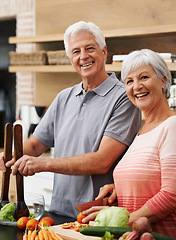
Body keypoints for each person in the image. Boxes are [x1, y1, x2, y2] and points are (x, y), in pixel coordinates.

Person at [0, 21, 141, 218]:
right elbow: (34, 145)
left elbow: (102, 161)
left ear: (104, 51)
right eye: (76, 51)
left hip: (97, 216)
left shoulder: (124, 98)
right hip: (58, 211)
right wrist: (12, 155)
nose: (83, 56)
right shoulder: (64, 97)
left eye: (89, 48)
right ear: (71, 58)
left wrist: (42, 165)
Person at [82, 49, 176, 238]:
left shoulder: (172, 126)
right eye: (129, 81)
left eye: (143, 77)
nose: (137, 86)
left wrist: (122, 221)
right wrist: (119, 187)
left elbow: (171, 195)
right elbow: (151, 177)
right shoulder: (140, 132)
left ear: (163, 80)